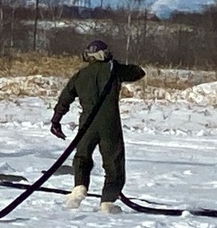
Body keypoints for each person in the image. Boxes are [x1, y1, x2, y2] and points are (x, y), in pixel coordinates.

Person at [50, 39, 145, 213]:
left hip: (86, 124)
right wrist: (115, 64)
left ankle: (79, 188)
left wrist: (56, 120)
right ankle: (108, 201)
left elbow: (65, 98)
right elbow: (139, 72)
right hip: (109, 123)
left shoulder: (80, 75)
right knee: (113, 161)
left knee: (81, 156)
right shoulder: (114, 70)